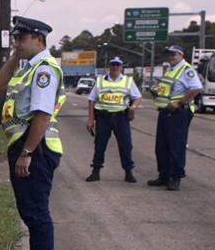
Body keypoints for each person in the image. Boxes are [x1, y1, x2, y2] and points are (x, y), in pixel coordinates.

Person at [0, 15, 64, 250]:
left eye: (22, 39)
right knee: (28, 210)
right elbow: (0, 85)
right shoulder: (27, 69)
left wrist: (27, 152)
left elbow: (43, 117)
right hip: (25, 147)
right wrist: (14, 56)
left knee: (36, 212)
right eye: (15, 39)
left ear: (39, 40)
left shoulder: (44, 70)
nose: (17, 43)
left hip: (37, 148)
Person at [148, 44, 203, 191]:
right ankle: (163, 176)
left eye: (174, 54)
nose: (171, 57)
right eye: (170, 55)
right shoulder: (171, 70)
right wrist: (157, 93)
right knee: (161, 146)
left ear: (181, 55)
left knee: (176, 146)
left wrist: (179, 102)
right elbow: (168, 90)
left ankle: (176, 177)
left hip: (179, 113)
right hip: (165, 111)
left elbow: (196, 88)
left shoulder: (186, 70)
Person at [85, 56, 142, 182]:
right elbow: (91, 100)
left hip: (121, 117)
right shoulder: (100, 81)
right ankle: (96, 171)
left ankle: (128, 172)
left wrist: (133, 107)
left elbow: (138, 97)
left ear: (121, 67)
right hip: (104, 117)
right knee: (100, 145)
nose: (115, 67)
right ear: (109, 67)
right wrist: (91, 119)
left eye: (117, 65)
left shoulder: (127, 81)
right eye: (113, 65)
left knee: (125, 145)